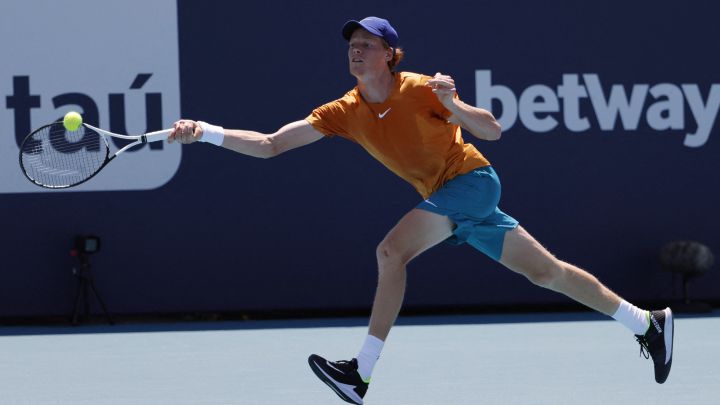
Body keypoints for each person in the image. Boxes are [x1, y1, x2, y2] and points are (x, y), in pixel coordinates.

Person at [171, 16, 674, 405]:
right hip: (453, 197)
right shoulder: (344, 111)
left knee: (391, 251)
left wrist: (453, 105)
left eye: (367, 44)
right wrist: (206, 132)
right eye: (352, 43)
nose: (356, 49)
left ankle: (360, 372)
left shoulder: (420, 89)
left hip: (471, 182)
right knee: (547, 273)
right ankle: (647, 324)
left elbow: (492, 130)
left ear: (390, 55)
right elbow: (270, 145)